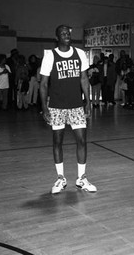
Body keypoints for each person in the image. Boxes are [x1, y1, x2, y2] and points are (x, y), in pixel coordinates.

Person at [39, 24, 96, 194]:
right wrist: (44, 107)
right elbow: (43, 84)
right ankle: (60, 178)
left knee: (82, 141)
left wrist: (88, 101)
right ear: (57, 37)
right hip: (56, 106)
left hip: (76, 106)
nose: (66, 35)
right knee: (58, 142)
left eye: (68, 33)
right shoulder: (50, 56)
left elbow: (84, 79)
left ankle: (81, 178)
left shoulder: (79, 54)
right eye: (62, 33)